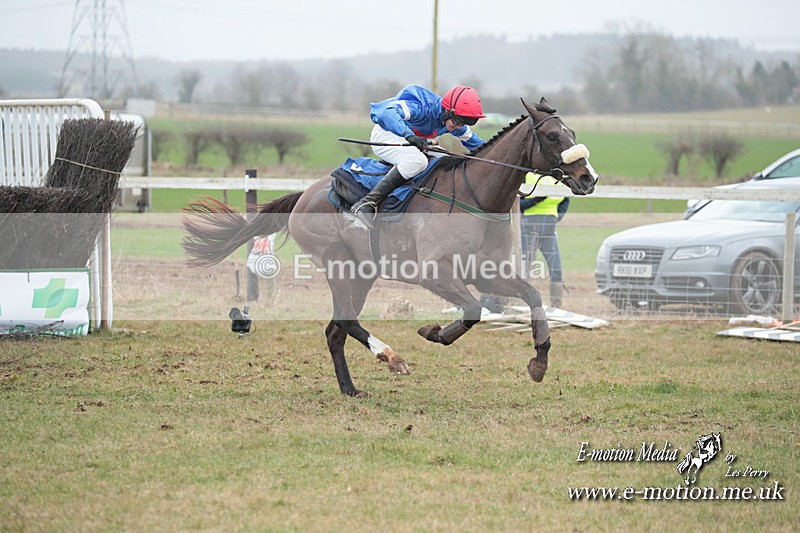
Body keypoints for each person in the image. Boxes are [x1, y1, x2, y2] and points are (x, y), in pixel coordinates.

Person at [351, 84, 487, 228]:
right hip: (387, 134)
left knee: (446, 160)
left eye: (463, 123)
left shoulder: (453, 122)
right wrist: (408, 135)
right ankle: (366, 203)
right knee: (418, 161)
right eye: (458, 122)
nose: (459, 127)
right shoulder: (422, 107)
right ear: (447, 111)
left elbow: (479, 144)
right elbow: (387, 113)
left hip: (413, 139)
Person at [520, 172, 570, 307]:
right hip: (528, 230)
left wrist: (557, 216)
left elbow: (565, 200)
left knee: (556, 269)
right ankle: (523, 304)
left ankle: (556, 307)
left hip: (549, 231)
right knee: (525, 269)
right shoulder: (527, 176)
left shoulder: (558, 179)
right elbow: (518, 205)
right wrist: (536, 200)